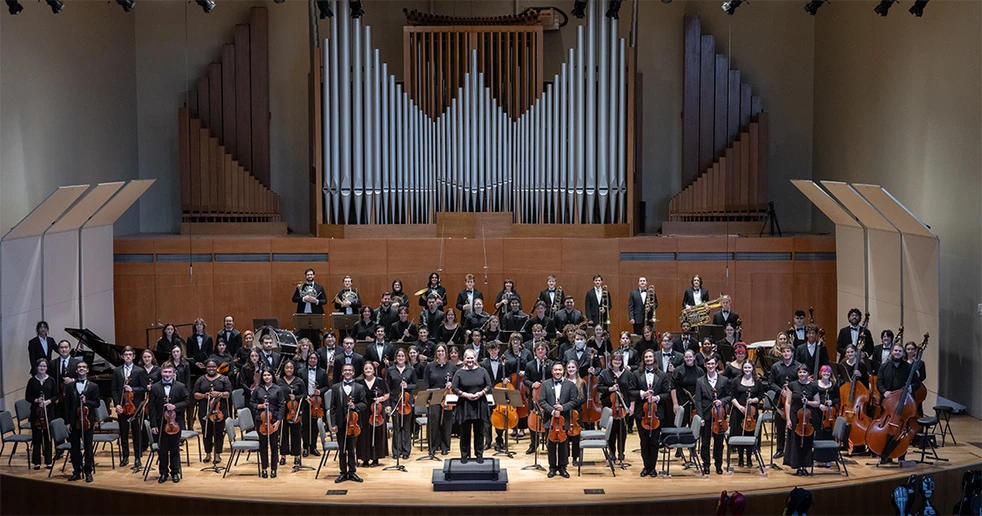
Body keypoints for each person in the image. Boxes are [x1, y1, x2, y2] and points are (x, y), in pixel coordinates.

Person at [149, 362, 189, 483]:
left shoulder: (180, 386)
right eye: (165, 372)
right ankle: (163, 473)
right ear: (161, 372)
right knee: (162, 450)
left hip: (175, 423)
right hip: (161, 423)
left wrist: (174, 406)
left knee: (175, 449)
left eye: (169, 372)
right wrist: (153, 425)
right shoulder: (155, 387)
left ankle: (175, 472)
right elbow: (151, 408)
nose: (167, 374)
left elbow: (187, 401)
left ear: (173, 373)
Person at [451, 349, 492, 464]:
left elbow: (489, 385)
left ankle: (479, 454)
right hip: (465, 404)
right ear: (464, 359)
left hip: (479, 403)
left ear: (475, 358)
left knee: (479, 431)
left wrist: (481, 393)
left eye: (472, 358)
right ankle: (464, 455)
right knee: (464, 432)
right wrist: (465, 395)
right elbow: (454, 388)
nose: (470, 360)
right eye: (467, 358)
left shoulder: (482, 371)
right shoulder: (459, 372)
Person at [539, 362, 580, 478]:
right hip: (550, 420)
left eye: (560, 370)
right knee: (550, 444)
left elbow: (574, 401)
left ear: (563, 371)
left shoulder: (570, 385)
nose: (557, 372)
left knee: (563, 444)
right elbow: (542, 401)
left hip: (564, 419)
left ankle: (563, 467)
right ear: (552, 371)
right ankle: (552, 467)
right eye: (555, 370)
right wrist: (552, 411)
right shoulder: (546, 384)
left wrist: (563, 408)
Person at [111, 346, 149, 469]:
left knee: (137, 433)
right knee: (124, 433)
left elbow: (143, 388)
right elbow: (114, 390)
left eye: (130, 354)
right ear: (122, 357)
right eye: (125, 354)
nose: (128, 356)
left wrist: (132, 389)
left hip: (135, 407)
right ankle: (125, 456)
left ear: (133, 356)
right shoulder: (117, 371)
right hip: (122, 406)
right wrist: (117, 404)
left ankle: (138, 458)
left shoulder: (140, 371)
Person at [634, 349, 669, 478]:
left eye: (650, 357)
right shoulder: (637, 374)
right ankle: (646, 466)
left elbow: (667, 394)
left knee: (654, 441)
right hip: (641, 413)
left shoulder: (662, 375)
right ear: (643, 359)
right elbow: (631, 391)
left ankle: (653, 468)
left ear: (654, 359)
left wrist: (657, 398)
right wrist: (642, 394)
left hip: (656, 413)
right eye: (646, 357)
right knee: (644, 441)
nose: (649, 359)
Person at [330, 364, 367, 483]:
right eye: (345, 370)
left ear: (353, 372)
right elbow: (333, 407)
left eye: (350, 370)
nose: (348, 372)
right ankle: (342, 473)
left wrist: (354, 406)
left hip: (353, 423)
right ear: (342, 372)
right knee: (342, 450)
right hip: (340, 423)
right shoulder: (336, 387)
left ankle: (352, 472)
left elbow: (364, 404)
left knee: (351, 449)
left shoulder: (359, 387)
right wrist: (333, 424)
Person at [695, 356, 731, 475]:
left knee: (719, 442)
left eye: (712, 364)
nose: (710, 366)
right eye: (708, 364)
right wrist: (700, 417)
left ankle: (718, 465)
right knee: (705, 442)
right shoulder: (700, 381)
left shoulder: (724, 380)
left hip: (719, 415)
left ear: (716, 365)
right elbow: (698, 401)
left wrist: (722, 401)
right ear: (705, 365)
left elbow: (729, 396)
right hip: (706, 414)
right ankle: (706, 464)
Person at [192, 359, 231, 465]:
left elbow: (228, 394)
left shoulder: (224, 379)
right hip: (205, 410)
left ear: (217, 367)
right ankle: (208, 454)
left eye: (213, 366)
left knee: (219, 433)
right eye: (209, 367)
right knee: (206, 432)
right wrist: (204, 396)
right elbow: (195, 394)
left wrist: (219, 394)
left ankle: (217, 454)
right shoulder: (201, 380)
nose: (211, 369)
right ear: (206, 368)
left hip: (219, 411)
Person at [598, 351, 635, 462]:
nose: (617, 362)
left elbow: (632, 391)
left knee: (622, 431)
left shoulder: (628, 374)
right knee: (612, 430)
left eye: (619, 360)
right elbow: (599, 387)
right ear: (611, 361)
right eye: (615, 360)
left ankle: (621, 452)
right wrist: (610, 389)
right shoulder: (605, 373)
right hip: (610, 406)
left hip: (624, 406)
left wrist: (632, 405)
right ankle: (612, 452)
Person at [784, 365, 819, 476]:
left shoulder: (813, 386)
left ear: (808, 373)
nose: (802, 374)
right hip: (795, 416)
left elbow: (817, 402)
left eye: (804, 372)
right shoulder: (792, 385)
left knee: (807, 441)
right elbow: (788, 402)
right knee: (795, 441)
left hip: (808, 417)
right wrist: (788, 419)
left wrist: (808, 402)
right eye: (800, 372)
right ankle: (797, 465)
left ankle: (805, 465)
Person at [767, 341, 800, 459]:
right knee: (780, 426)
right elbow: (770, 383)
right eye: (784, 351)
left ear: (792, 353)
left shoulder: (798, 367)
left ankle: (792, 450)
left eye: (788, 351)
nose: (786, 353)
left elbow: (800, 382)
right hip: (779, 400)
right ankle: (780, 449)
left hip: (794, 401)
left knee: (794, 424)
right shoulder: (776, 366)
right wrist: (781, 391)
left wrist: (791, 391)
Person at [423, 344, 456, 456]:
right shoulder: (430, 366)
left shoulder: (452, 367)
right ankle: (432, 446)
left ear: (446, 352)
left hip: (447, 396)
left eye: (442, 351)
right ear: (436, 353)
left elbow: (456, 382)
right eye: (438, 351)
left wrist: (451, 384)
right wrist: (427, 398)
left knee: (446, 421)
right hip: (434, 396)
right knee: (434, 421)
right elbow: (426, 383)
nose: (440, 353)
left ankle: (445, 446)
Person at [731, 361, 764, 469]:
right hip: (739, 411)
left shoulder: (757, 381)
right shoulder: (736, 381)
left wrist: (754, 400)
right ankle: (740, 457)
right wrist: (739, 407)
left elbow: (760, 396)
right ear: (742, 369)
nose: (747, 370)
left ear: (753, 368)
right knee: (740, 434)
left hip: (752, 412)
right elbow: (732, 396)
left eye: (749, 367)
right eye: (745, 368)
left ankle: (749, 457)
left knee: (750, 433)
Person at [25, 359, 57, 470]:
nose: (42, 368)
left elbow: (55, 395)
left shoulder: (51, 380)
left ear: (47, 368)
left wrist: (48, 401)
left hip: (49, 411)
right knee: (36, 437)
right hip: (36, 413)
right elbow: (27, 397)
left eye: (44, 366)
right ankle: (36, 461)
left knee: (48, 437)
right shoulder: (32, 381)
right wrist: (36, 400)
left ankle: (48, 460)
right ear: (36, 367)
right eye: (40, 366)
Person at [386, 348, 417, 460]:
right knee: (397, 426)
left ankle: (406, 451)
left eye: (402, 356)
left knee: (406, 427)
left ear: (406, 357)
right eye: (398, 356)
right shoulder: (390, 370)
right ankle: (396, 451)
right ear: (396, 357)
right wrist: (388, 404)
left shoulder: (411, 369)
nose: (400, 358)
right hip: (395, 401)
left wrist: (407, 386)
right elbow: (387, 388)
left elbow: (415, 384)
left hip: (407, 402)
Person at [251, 369, 283, 478]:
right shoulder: (258, 389)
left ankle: (274, 469)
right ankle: (264, 468)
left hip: (273, 421)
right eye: (264, 375)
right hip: (261, 421)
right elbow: (251, 403)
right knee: (263, 446)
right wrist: (260, 406)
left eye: (268, 375)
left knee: (274, 446)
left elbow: (281, 406)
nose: (266, 377)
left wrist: (278, 421)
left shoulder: (278, 389)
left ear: (272, 376)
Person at [356, 362, 389, 467]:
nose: (368, 370)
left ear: (374, 370)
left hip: (377, 410)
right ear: (363, 370)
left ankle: (376, 458)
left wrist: (380, 399)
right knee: (364, 434)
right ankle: (365, 459)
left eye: (370, 368)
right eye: (366, 368)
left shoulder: (380, 381)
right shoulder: (359, 382)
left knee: (378, 433)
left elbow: (387, 394)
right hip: (364, 411)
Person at [298, 352, 329, 457]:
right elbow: (299, 386)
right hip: (306, 401)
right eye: (310, 358)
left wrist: (319, 391)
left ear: (317, 360)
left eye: (314, 358)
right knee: (305, 425)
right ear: (308, 360)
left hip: (317, 402)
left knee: (315, 426)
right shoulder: (301, 372)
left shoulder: (322, 372)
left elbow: (326, 387)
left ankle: (313, 447)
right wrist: (305, 396)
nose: (312, 360)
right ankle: (305, 447)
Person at [523, 342, 553, 453]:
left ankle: (549, 443)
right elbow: (525, 379)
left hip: (548, 398)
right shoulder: (529, 365)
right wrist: (532, 384)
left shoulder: (551, 364)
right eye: (538, 349)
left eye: (543, 349)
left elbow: (556, 377)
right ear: (535, 351)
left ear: (546, 351)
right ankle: (533, 444)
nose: (540, 351)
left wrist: (547, 383)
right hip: (534, 396)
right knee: (532, 420)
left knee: (548, 420)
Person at [480, 341, 510, 451]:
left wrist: (508, 379)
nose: (493, 351)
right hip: (488, 393)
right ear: (488, 351)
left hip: (500, 393)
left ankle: (499, 439)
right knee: (487, 418)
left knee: (500, 416)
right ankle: (487, 441)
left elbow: (509, 375)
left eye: (495, 349)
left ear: (498, 350)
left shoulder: (504, 362)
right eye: (491, 349)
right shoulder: (483, 364)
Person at [278, 360, 306, 469]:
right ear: (284, 369)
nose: (289, 370)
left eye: (291, 368)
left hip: (295, 410)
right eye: (287, 368)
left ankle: (297, 455)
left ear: (294, 369)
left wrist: (296, 398)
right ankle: (283, 455)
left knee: (296, 433)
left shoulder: (299, 381)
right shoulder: (279, 381)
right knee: (283, 433)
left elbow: (304, 394)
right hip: (283, 410)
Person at [671, 350, 706, 430]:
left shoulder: (700, 371)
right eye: (686, 357)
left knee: (695, 428)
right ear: (684, 358)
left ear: (694, 357)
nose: (688, 359)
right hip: (682, 402)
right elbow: (673, 387)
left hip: (696, 403)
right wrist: (675, 404)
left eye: (690, 357)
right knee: (680, 426)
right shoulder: (678, 370)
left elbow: (704, 387)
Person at [814, 365, 840, 467]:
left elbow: (838, 398)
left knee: (829, 435)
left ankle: (829, 459)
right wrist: (819, 405)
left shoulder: (833, 385)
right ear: (820, 373)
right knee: (819, 435)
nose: (826, 374)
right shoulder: (815, 384)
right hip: (818, 412)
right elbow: (812, 396)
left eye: (828, 372)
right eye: (824, 372)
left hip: (830, 414)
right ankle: (819, 459)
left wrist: (831, 402)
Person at [565, 360, 588, 466]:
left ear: (577, 369)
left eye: (573, 367)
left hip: (577, 411)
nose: (571, 369)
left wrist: (573, 403)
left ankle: (575, 458)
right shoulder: (563, 381)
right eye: (569, 367)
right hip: (565, 411)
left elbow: (584, 398)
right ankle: (564, 457)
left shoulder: (582, 382)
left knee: (576, 436)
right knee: (565, 435)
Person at [169, 344, 192, 426]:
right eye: (174, 352)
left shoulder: (186, 364)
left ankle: (182, 430)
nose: (176, 353)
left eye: (177, 351)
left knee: (181, 414)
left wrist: (187, 393)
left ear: (181, 352)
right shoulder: (168, 364)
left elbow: (187, 380)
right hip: (171, 392)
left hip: (181, 391)